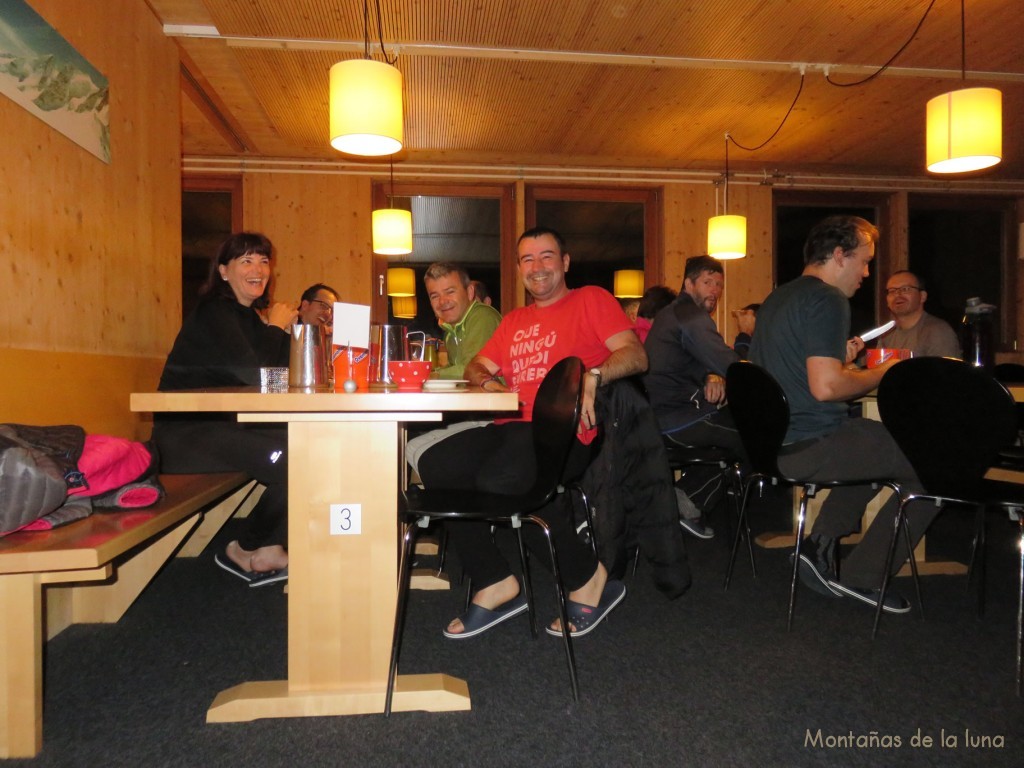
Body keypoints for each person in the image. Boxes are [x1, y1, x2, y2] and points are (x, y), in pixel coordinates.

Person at [417, 226, 646, 639]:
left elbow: (635, 354)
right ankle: (495, 581)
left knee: (501, 480)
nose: (537, 267)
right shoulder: (515, 320)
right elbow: (476, 367)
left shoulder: (590, 299)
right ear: (520, 268)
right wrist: (487, 383)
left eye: (546, 257)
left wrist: (592, 376)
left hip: (563, 432)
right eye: (528, 259)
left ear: (564, 263)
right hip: (510, 428)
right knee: (436, 464)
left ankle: (589, 578)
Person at [749, 215, 934, 614]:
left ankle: (818, 547)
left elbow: (802, 373)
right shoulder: (828, 298)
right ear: (838, 256)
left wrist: (841, 362)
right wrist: (883, 371)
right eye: (864, 261)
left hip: (775, 443)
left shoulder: (778, 299)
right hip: (811, 443)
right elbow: (827, 388)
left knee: (870, 438)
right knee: (936, 465)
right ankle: (863, 577)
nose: (867, 273)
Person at [154, 232, 298, 587]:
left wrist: (284, 333)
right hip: (187, 434)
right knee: (298, 459)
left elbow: (277, 384)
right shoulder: (214, 313)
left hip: (227, 427)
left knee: (314, 445)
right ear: (223, 272)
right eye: (246, 260)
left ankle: (263, 548)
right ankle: (242, 548)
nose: (258, 268)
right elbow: (256, 375)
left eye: (263, 261)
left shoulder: (249, 319)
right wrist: (277, 328)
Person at [643, 256, 745, 539]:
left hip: (660, 418)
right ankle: (685, 501)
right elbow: (731, 364)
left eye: (719, 285)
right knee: (755, 435)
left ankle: (682, 500)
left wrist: (711, 376)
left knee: (736, 427)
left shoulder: (674, 314)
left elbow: (696, 360)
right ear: (688, 284)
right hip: (677, 420)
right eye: (707, 282)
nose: (714, 290)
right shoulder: (690, 318)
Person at [425, 263, 502, 380]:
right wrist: (427, 371)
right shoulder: (450, 330)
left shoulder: (482, 317)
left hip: (498, 397)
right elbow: (455, 368)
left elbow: (471, 370)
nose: (442, 301)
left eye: (450, 292)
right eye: (435, 296)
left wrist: (428, 375)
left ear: (470, 292)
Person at [876, 270, 961, 358]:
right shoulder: (886, 334)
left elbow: (945, 371)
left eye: (905, 289)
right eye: (892, 291)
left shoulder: (938, 332)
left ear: (922, 296)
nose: (898, 294)